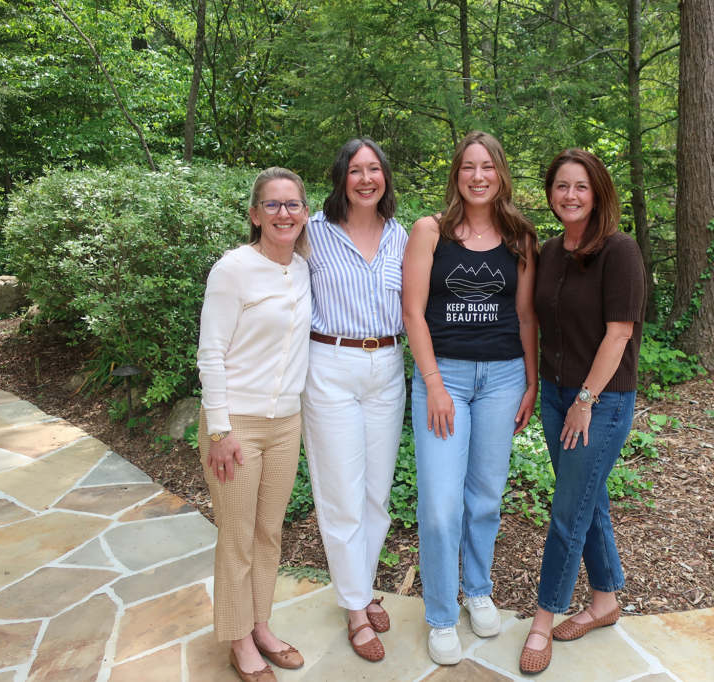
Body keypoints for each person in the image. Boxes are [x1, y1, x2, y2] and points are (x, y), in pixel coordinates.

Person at [403, 131, 539, 666]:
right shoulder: (430, 232)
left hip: (503, 378)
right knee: (439, 506)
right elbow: (413, 312)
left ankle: (477, 588)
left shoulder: (520, 237)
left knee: (485, 496)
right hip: (446, 380)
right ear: (456, 174)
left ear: (500, 174)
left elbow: (525, 316)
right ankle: (440, 614)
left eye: (487, 167)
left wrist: (529, 381)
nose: (478, 176)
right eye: (468, 167)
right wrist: (433, 382)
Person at [518, 149, 646, 674]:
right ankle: (605, 602)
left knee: (568, 510)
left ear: (598, 193)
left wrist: (585, 402)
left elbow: (619, 335)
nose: (570, 195)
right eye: (561, 186)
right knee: (587, 500)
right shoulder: (549, 251)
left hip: (601, 400)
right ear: (551, 193)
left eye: (581, 187)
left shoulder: (620, 252)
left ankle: (542, 621)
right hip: (553, 394)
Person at [197, 167, 312, 682]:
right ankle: (239, 640)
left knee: (269, 532)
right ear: (254, 214)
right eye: (272, 204)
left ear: (304, 212)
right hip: (236, 424)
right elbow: (211, 353)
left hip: (287, 422)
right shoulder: (233, 269)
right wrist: (219, 431)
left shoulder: (304, 269)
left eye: (292, 204)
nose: (283, 213)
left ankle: (261, 624)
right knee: (237, 536)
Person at [301, 138, 408, 662]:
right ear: (341, 176)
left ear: (385, 177)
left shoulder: (401, 237)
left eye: (375, 170)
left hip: (387, 367)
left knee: (375, 495)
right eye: (356, 170)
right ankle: (355, 609)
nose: (366, 179)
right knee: (341, 494)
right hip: (331, 367)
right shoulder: (313, 235)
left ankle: (359, 587)